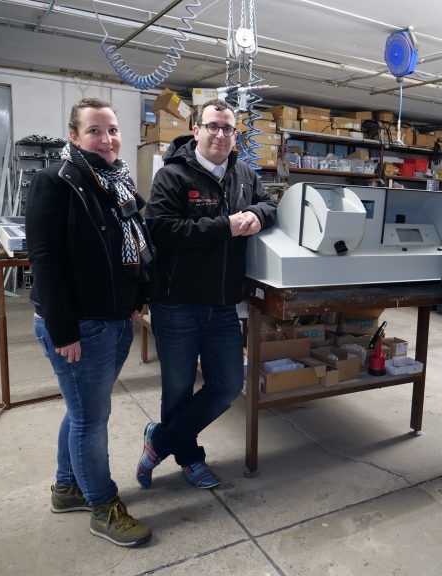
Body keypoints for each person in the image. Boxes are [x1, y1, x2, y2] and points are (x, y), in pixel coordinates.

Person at [26, 97, 153, 547]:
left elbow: (133, 247)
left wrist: (138, 298)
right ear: (75, 137)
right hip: (80, 326)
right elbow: (45, 260)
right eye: (95, 131)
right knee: (90, 419)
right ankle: (102, 504)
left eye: (113, 130)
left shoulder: (114, 183)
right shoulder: (55, 182)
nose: (107, 139)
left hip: (115, 320)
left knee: (82, 411)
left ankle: (66, 487)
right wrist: (63, 331)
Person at [136, 98, 276, 490]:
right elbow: (161, 231)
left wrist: (258, 215)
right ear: (196, 130)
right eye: (212, 126)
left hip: (222, 305)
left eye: (228, 128)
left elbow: (270, 204)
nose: (220, 134)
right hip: (177, 304)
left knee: (228, 385)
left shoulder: (244, 173)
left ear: (235, 135)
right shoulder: (173, 175)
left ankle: (159, 439)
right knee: (178, 391)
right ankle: (190, 459)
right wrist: (225, 226)